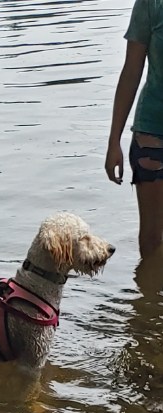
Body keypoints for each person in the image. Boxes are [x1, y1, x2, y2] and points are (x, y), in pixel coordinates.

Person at [105, 0, 163, 258]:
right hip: (153, 134)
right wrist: (113, 140)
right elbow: (131, 70)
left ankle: (149, 298)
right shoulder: (151, 4)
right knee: (152, 241)